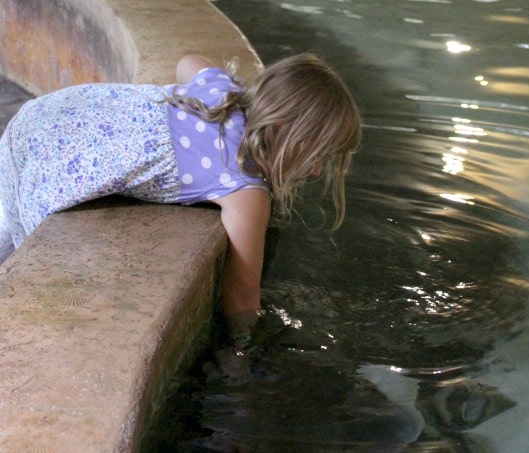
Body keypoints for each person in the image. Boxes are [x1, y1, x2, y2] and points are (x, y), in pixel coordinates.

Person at [0, 53, 362, 342]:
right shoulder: (246, 190)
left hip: (38, 119)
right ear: (284, 130)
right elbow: (240, 296)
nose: (314, 172)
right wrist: (243, 346)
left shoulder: (221, 89)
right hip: (51, 166)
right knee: (22, 265)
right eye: (316, 155)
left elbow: (188, 60)